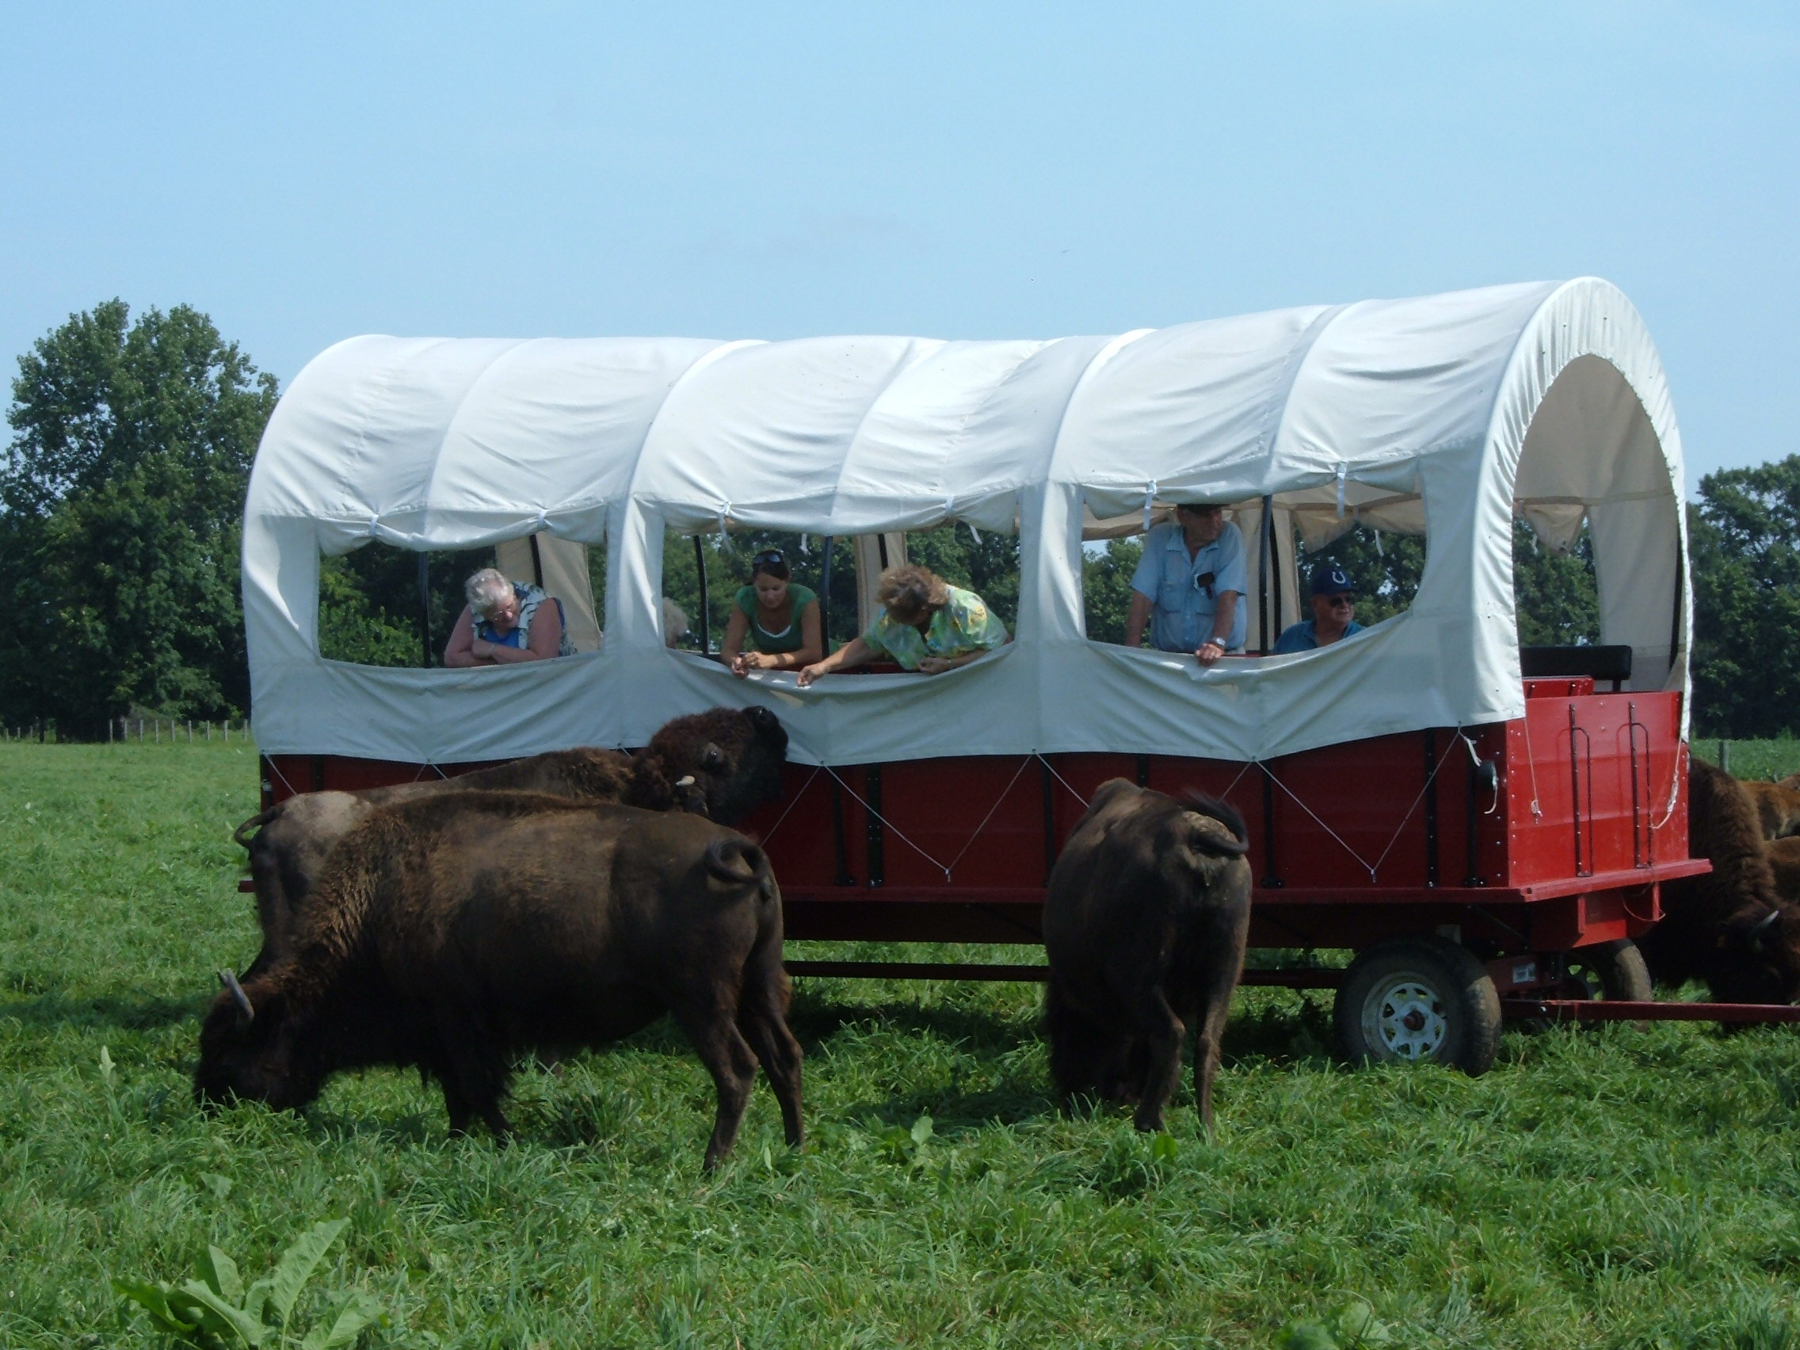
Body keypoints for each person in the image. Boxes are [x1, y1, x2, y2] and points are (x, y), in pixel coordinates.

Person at [797, 563, 1008, 686]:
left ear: (924, 609)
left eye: (900, 616)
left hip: (984, 689)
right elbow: (869, 644)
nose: (892, 619)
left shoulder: (965, 607)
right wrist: (823, 667)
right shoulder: (892, 613)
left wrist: (950, 665)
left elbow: (1003, 648)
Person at [1124, 501, 1248, 666]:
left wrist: (1217, 643)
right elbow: (1143, 596)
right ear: (1182, 516)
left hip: (1223, 660)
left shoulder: (1230, 534)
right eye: (1205, 515)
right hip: (1169, 662)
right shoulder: (1160, 538)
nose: (1215, 521)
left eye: (1217, 513)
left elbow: (1229, 594)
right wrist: (1131, 651)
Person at [721, 549, 824, 677]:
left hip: (823, 673)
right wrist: (735, 662)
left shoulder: (805, 599)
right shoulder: (745, 598)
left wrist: (772, 660)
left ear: (787, 580)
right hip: (773, 676)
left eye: (776, 588)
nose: (770, 596)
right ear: (753, 583)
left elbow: (814, 652)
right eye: (763, 589)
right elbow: (728, 650)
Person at [444, 567, 574, 667]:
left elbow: (544, 662)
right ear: (484, 614)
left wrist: (492, 650)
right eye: (498, 615)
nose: (508, 615)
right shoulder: (476, 608)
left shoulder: (541, 604)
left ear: (514, 595)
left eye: (510, 606)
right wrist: (507, 661)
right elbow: (452, 658)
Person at [1274, 563, 1365, 654]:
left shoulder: (1365, 638)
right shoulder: (1291, 637)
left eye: (1348, 599)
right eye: (1336, 601)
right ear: (1315, 603)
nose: (1344, 605)